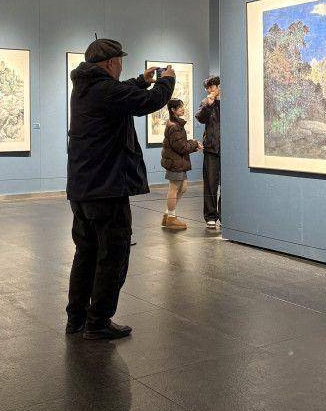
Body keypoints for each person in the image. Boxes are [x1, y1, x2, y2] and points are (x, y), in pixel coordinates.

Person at [66, 38, 175, 340]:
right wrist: (167, 81)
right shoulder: (105, 90)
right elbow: (149, 102)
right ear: (111, 63)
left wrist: (141, 80)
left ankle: (77, 319)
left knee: (86, 253)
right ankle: (98, 321)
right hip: (107, 188)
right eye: (120, 62)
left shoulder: (85, 87)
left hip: (83, 188)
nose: (121, 67)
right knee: (113, 254)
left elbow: (119, 93)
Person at [160, 98, 202, 230]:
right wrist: (194, 143)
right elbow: (181, 147)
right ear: (173, 110)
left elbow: (181, 144)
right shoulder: (174, 127)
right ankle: (171, 218)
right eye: (180, 107)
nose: (183, 109)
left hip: (178, 161)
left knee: (182, 188)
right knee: (174, 188)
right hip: (175, 162)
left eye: (183, 106)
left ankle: (167, 215)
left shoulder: (177, 125)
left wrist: (193, 144)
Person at [195, 75, 221, 229]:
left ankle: (224, 214)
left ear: (218, 87)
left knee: (227, 184)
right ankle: (211, 216)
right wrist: (207, 105)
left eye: (211, 87)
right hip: (211, 149)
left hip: (228, 150)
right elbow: (200, 118)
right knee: (210, 184)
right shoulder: (206, 103)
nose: (209, 90)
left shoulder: (228, 102)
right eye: (207, 88)